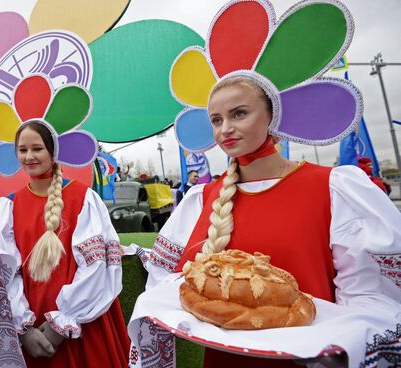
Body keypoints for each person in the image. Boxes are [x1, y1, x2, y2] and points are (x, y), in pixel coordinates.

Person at [132, 74, 401, 367]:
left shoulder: (333, 188)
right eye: (217, 120)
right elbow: (167, 281)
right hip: (225, 359)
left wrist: (337, 344)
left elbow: (370, 294)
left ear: (273, 115)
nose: (226, 129)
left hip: (309, 356)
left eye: (239, 113)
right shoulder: (201, 198)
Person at [0, 120, 130, 367]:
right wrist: (23, 327)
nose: (29, 156)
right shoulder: (7, 207)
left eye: (37, 148)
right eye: (23, 150)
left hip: (83, 324)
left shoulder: (83, 198)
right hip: (34, 323)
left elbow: (97, 267)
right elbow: (5, 273)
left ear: (52, 151)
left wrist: (64, 321)